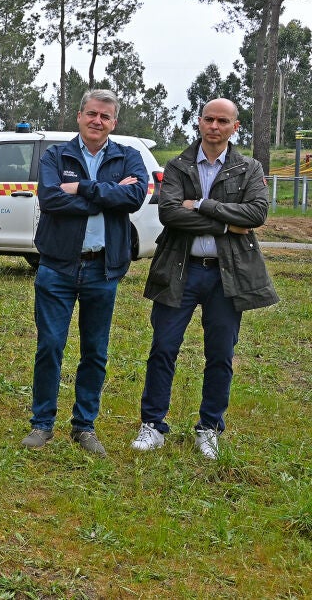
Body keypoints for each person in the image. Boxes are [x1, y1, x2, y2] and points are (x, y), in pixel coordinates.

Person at [130, 98, 278, 459]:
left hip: (227, 275)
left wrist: (201, 205)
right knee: (163, 348)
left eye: (222, 121)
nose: (214, 126)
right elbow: (169, 213)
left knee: (221, 354)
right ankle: (153, 425)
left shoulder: (249, 167)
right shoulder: (178, 165)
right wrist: (228, 224)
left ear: (235, 127)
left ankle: (209, 428)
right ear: (199, 122)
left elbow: (256, 213)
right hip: (180, 269)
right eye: (209, 119)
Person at [21, 89, 148, 456]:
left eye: (105, 116)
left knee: (95, 351)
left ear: (114, 122)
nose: (97, 121)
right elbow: (51, 199)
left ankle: (84, 426)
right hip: (57, 266)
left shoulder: (128, 156)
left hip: (102, 269)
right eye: (91, 113)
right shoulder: (56, 155)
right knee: (50, 346)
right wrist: (106, 196)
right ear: (79, 116)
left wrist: (80, 187)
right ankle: (42, 423)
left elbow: (134, 198)